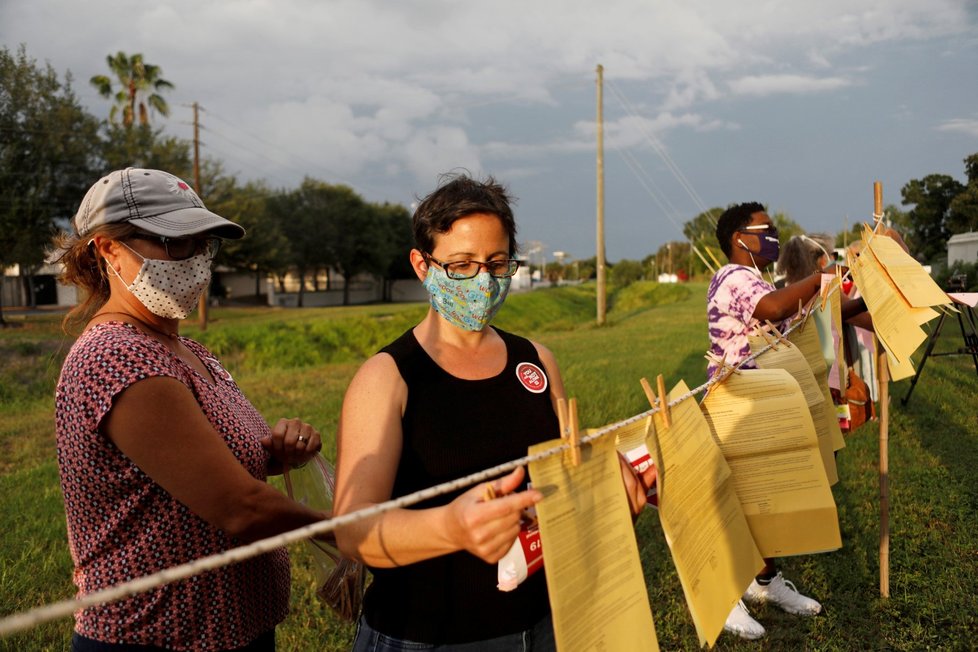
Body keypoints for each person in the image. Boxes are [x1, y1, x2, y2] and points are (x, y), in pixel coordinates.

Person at [333, 173, 654, 651]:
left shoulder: (538, 362)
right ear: (422, 265)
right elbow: (353, 531)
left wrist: (612, 491)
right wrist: (451, 528)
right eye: (461, 265)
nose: (483, 280)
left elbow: (567, 480)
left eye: (497, 263)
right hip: (426, 636)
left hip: (542, 627)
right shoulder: (386, 378)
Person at [52, 168, 329, 652]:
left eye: (203, 244)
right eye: (173, 242)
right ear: (107, 249)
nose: (196, 261)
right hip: (157, 636)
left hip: (231, 629)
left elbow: (215, 464)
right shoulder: (116, 356)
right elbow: (241, 507)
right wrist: (357, 529)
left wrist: (279, 452)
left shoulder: (189, 350)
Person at [707, 202, 867, 641]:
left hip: (763, 405)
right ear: (741, 238)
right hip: (738, 406)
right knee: (742, 503)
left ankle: (764, 583)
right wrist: (824, 275)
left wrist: (864, 300)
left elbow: (801, 316)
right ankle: (727, 596)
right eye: (767, 228)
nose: (775, 234)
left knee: (768, 499)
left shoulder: (756, 281)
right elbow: (777, 309)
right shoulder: (733, 277)